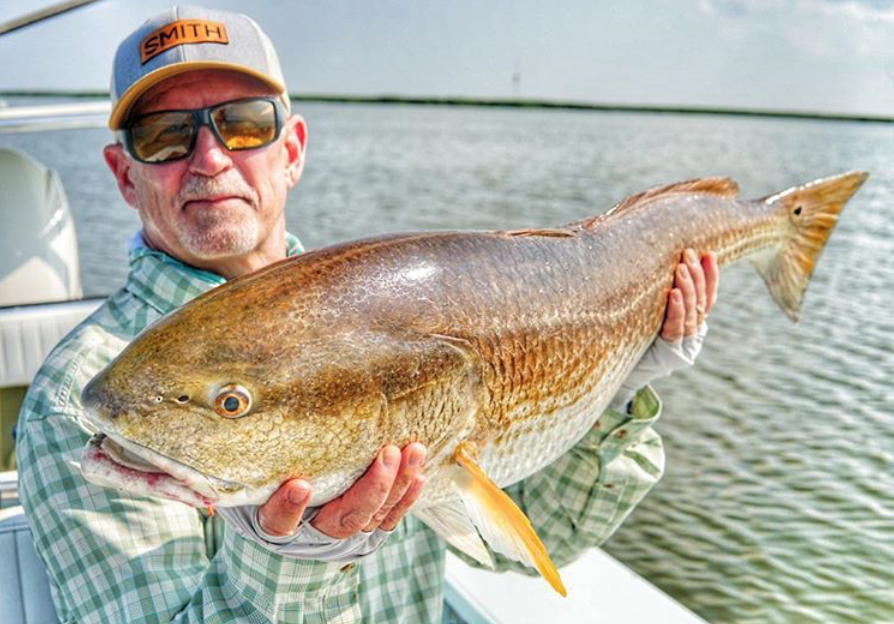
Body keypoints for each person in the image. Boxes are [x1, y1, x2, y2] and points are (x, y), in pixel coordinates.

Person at [16, 6, 719, 623]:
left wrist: (618, 389)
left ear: (291, 152)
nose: (209, 158)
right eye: (166, 137)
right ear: (121, 172)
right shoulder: (85, 405)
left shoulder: (380, 322)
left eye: (243, 124)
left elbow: (538, 539)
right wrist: (295, 558)